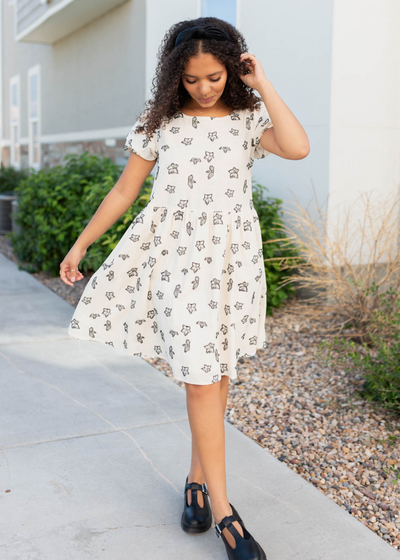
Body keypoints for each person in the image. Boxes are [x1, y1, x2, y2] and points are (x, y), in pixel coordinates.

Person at [60, 16, 309, 560]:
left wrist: (262, 83)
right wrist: (81, 245)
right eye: (192, 79)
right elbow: (125, 190)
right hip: (176, 261)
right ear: (176, 75)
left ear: (232, 69)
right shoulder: (160, 124)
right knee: (200, 378)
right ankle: (224, 512)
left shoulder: (247, 116)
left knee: (215, 375)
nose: (203, 88)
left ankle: (196, 481)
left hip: (232, 263)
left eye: (215, 77)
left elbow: (298, 147)